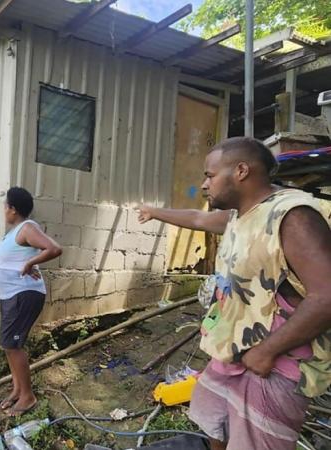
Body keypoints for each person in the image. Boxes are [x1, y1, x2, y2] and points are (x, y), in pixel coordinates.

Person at [137, 137, 331, 450]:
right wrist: (155, 212)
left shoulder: (292, 216)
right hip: (233, 354)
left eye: (210, 175)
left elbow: (327, 296)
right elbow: (198, 218)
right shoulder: (240, 216)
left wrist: (267, 352)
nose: (203, 185)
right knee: (217, 426)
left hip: (273, 365)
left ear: (241, 170)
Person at [0, 187, 62, 416]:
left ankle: (28, 396)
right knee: (8, 344)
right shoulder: (12, 234)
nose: (4, 210)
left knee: (13, 345)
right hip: (11, 295)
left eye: (5, 206)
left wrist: (31, 263)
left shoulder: (27, 228)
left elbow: (54, 249)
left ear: (13, 209)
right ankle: (17, 389)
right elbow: (7, 262)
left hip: (24, 293)